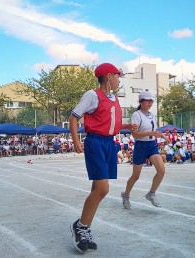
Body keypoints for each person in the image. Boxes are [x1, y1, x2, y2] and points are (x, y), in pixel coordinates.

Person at [69, 63, 137, 253]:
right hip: (96, 143)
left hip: (109, 143)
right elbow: (74, 116)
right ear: (108, 76)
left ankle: (85, 228)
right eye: (117, 76)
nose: (119, 79)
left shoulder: (114, 98)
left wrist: (126, 126)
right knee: (103, 189)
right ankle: (80, 226)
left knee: (96, 189)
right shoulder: (92, 95)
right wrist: (76, 140)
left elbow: (111, 123)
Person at [121, 90, 169, 210]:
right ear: (141, 102)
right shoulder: (136, 115)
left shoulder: (152, 115)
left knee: (161, 170)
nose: (150, 103)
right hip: (140, 146)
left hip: (151, 145)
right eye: (147, 100)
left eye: (151, 101)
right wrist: (151, 132)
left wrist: (162, 136)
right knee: (136, 176)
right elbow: (135, 135)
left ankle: (151, 193)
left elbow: (154, 131)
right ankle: (126, 195)